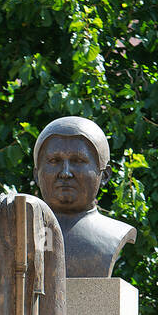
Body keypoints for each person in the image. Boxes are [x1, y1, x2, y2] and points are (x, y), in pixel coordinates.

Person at [32, 116, 137, 277]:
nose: (65, 173)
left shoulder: (113, 234)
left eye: (78, 160)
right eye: (54, 160)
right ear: (36, 174)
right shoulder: (22, 236)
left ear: (105, 175)